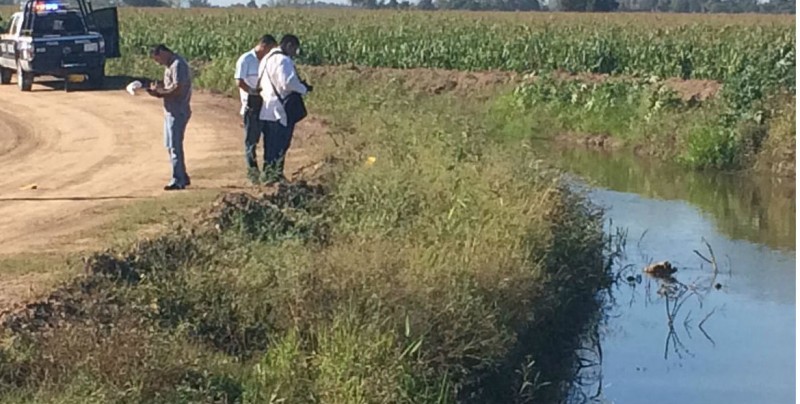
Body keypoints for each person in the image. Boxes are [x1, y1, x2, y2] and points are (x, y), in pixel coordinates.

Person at [257, 34, 312, 185]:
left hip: (266, 109)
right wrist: (303, 89)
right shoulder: (284, 60)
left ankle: (267, 175)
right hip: (280, 111)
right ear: (288, 45)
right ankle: (276, 176)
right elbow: (288, 83)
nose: (295, 53)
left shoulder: (266, 59)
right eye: (294, 49)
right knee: (281, 145)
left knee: (269, 146)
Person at [147, 44, 193, 191]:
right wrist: (159, 88)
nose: (158, 62)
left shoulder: (178, 65)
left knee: (175, 146)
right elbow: (170, 85)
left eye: (157, 58)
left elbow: (178, 89)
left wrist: (159, 93)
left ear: (163, 53)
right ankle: (182, 175)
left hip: (178, 111)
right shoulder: (170, 66)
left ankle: (178, 180)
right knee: (169, 145)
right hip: (170, 111)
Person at [235, 35, 278, 184]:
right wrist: (253, 91)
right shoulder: (246, 59)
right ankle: (253, 175)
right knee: (251, 143)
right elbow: (239, 82)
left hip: (267, 106)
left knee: (270, 140)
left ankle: (269, 173)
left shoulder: (268, 61)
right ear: (264, 46)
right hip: (251, 106)